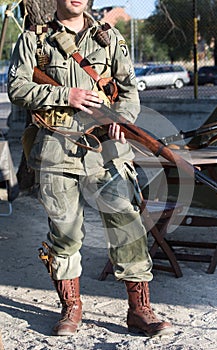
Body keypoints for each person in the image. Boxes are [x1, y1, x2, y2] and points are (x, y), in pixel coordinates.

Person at [8, 0, 173, 338]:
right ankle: (71, 307)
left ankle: (139, 309)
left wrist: (121, 119)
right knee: (64, 233)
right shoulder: (34, 40)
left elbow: (129, 92)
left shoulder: (109, 39)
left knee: (128, 224)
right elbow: (17, 87)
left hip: (107, 151)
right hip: (56, 148)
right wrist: (65, 95)